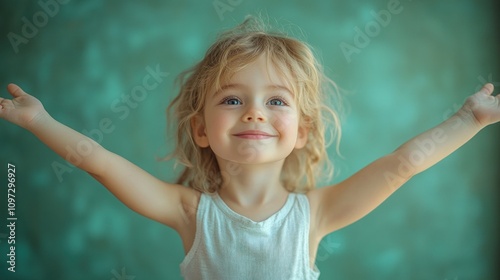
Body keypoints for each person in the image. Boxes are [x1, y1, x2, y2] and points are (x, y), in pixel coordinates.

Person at [0, 17, 498, 280]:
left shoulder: (316, 213)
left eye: (275, 101)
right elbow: (98, 162)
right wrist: (39, 121)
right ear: (201, 130)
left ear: (300, 132)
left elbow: (402, 166)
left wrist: (469, 118)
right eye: (233, 99)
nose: (255, 112)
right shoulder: (189, 212)